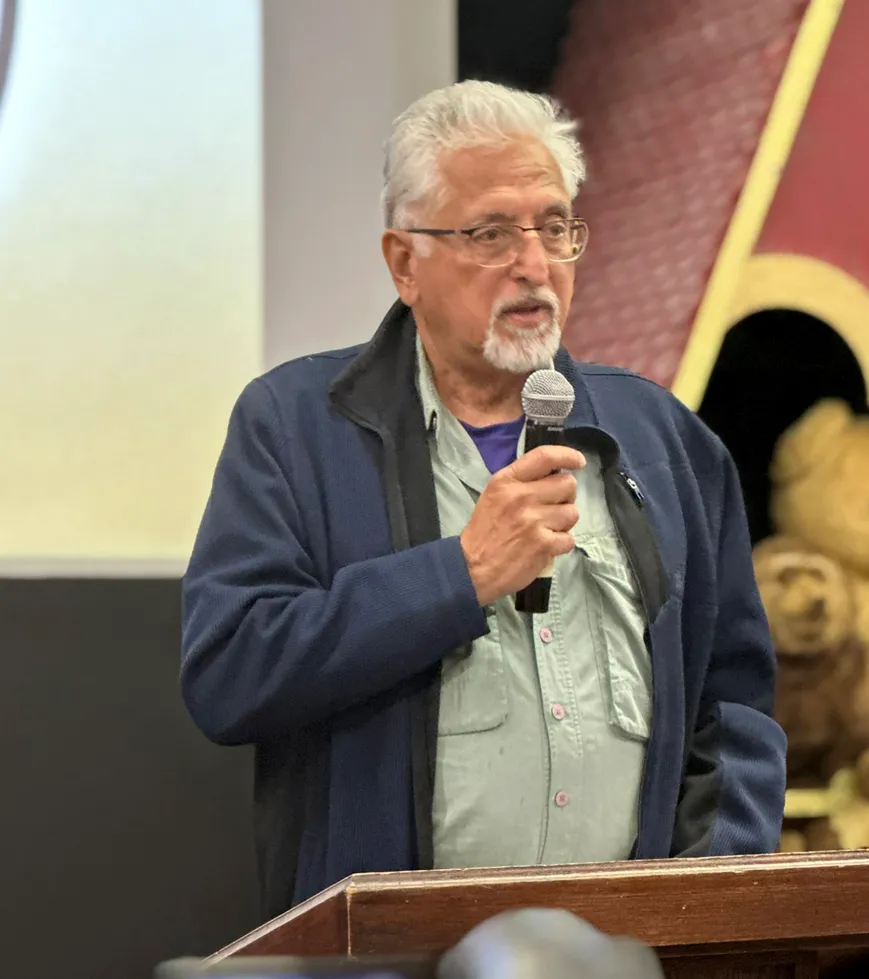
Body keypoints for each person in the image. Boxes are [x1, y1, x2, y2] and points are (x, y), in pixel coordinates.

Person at [180, 80, 786, 919]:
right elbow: (230, 671)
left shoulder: (663, 437)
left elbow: (734, 699)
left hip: (625, 950)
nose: (534, 264)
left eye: (554, 227)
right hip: (393, 953)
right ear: (404, 262)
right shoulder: (294, 428)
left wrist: (707, 891)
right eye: (491, 232)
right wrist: (457, 576)